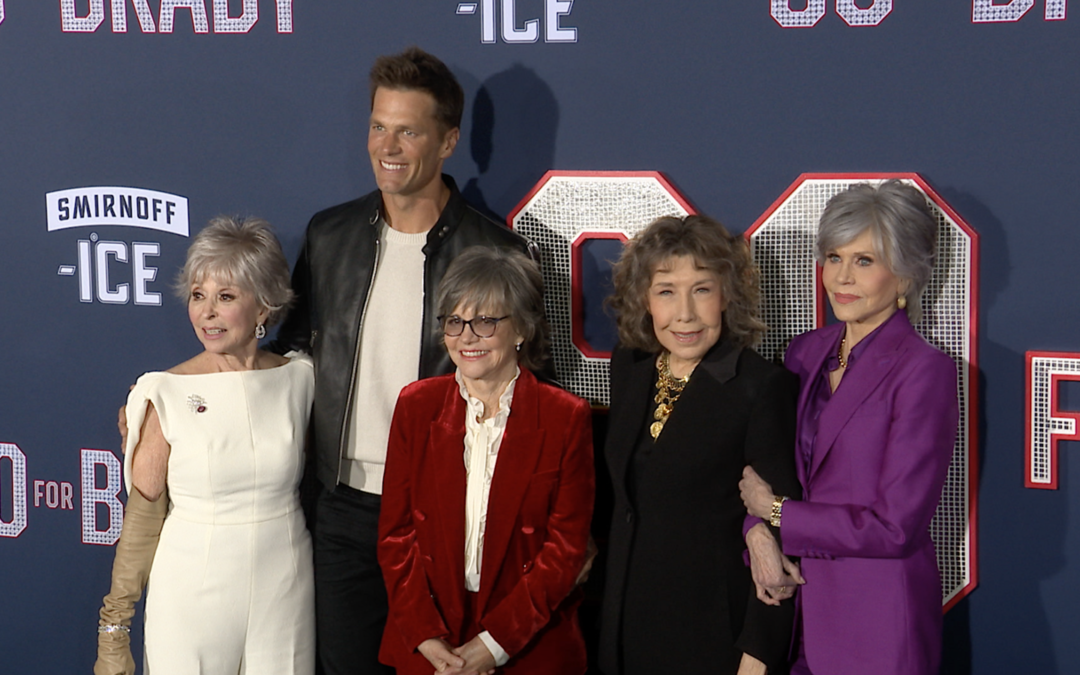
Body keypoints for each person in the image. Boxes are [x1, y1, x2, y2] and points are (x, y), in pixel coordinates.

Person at [270, 47, 537, 675]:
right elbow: (290, 353)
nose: (387, 145)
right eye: (377, 126)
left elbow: (530, 388)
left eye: (408, 130)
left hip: (446, 510)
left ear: (447, 141)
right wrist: (176, 403)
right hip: (343, 507)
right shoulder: (329, 235)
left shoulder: (495, 249)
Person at [739, 180, 960, 675]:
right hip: (791, 613)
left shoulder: (924, 371)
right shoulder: (803, 353)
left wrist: (776, 512)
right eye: (834, 257)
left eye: (864, 261)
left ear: (904, 276)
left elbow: (895, 526)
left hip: (877, 625)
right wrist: (757, 532)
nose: (841, 276)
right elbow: (763, 468)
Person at [96, 216, 314, 674]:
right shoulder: (164, 393)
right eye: (198, 296)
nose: (207, 312)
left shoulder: (300, 379)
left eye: (226, 297)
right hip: (192, 597)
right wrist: (114, 627)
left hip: (286, 591)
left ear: (264, 307)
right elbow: (142, 519)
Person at [598, 215, 801, 675]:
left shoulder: (761, 386)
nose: (684, 313)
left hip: (713, 641)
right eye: (666, 290)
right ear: (645, 299)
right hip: (626, 633)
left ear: (727, 294)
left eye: (702, 289)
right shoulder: (629, 367)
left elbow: (780, 536)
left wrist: (757, 656)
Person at [377, 247, 593, 675]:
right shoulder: (416, 406)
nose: (467, 337)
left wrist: (493, 646)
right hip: (431, 642)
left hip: (527, 643)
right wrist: (425, 635)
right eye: (455, 322)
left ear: (521, 330)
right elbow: (396, 535)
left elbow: (565, 551)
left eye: (486, 321)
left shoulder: (565, 417)